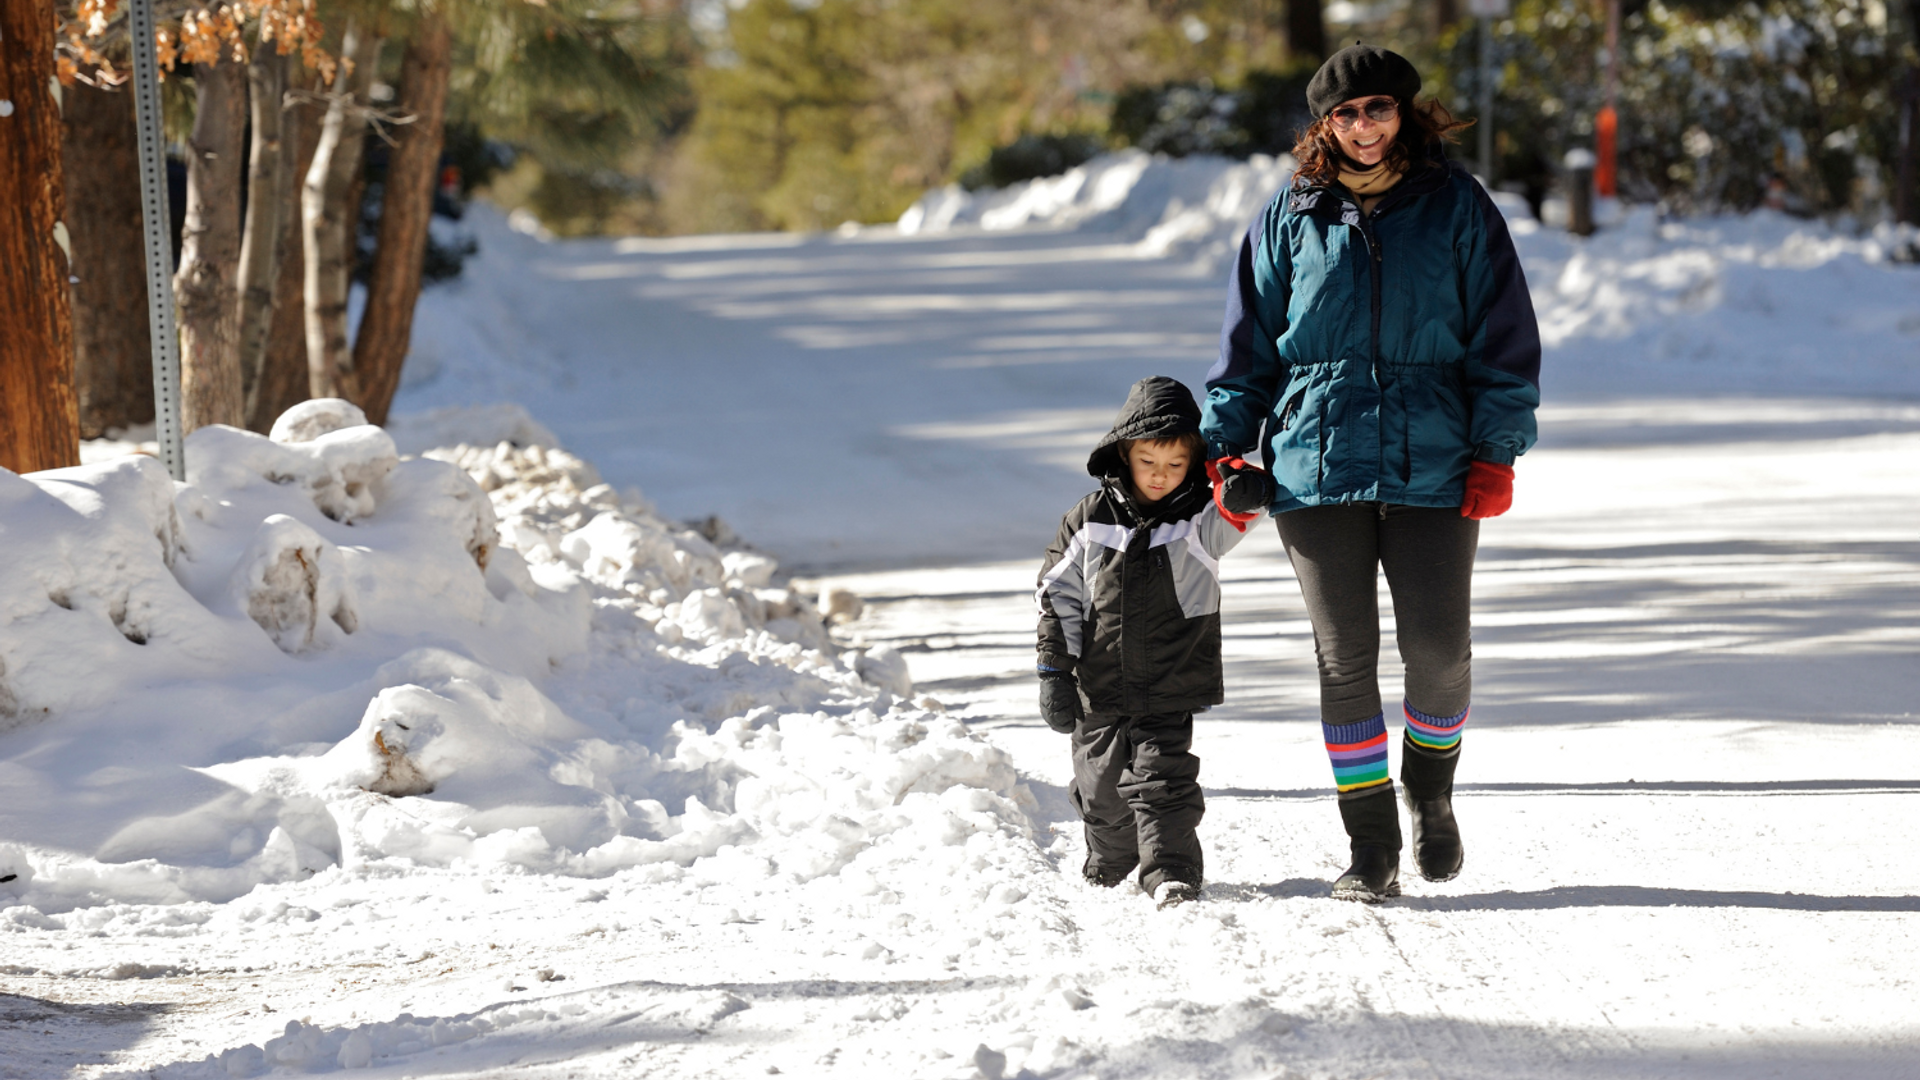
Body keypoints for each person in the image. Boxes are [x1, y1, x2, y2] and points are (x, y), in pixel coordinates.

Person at [1200, 44, 1542, 903]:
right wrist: (1224, 447)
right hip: (1314, 464)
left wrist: (1496, 448)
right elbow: (1248, 351)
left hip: (1435, 457)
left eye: (1378, 109)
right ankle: (1371, 845)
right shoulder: (1288, 218)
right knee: (1343, 661)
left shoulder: (1458, 207)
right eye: (1346, 114)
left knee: (1436, 651)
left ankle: (1430, 788)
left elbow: (1505, 338)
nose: (1363, 128)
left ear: (1406, 114)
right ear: (1324, 124)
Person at [1035, 376, 1252, 909]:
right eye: (1148, 462)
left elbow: (1238, 512)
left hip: (1170, 681)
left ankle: (1172, 872)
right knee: (1104, 793)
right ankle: (1110, 855)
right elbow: (1055, 595)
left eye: (1175, 464)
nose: (1160, 475)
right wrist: (1054, 671)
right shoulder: (1087, 521)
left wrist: (1241, 486)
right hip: (1099, 685)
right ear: (1123, 455)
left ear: (1193, 463)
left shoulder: (1198, 521)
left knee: (1162, 783)